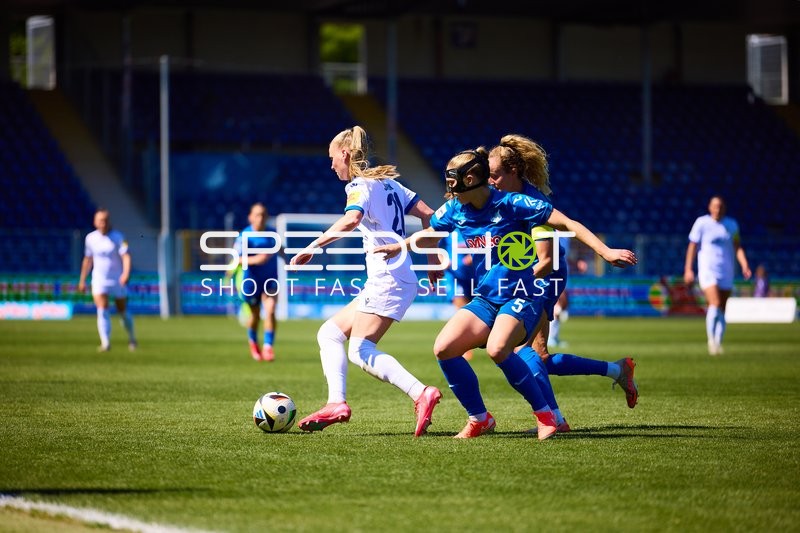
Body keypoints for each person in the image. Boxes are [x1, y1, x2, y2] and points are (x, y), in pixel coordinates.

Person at [375, 147, 636, 441]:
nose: (448, 189)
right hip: (487, 298)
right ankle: (479, 419)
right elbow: (431, 233)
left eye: (452, 182)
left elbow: (568, 225)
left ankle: (547, 417)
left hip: (523, 294)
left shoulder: (516, 204)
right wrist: (402, 247)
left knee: (502, 349)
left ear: (471, 179)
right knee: (444, 348)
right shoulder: (454, 210)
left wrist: (606, 251)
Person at [289, 125, 442, 437]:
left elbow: (352, 218)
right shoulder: (388, 183)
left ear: (345, 154)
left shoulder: (359, 185)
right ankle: (336, 403)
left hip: (388, 277)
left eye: (332, 157)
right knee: (330, 333)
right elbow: (430, 214)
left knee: (359, 350)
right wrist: (432, 258)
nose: (331, 164)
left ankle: (420, 392)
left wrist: (313, 247)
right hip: (393, 277)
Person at [487, 135, 638, 431]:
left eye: (495, 175)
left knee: (521, 350)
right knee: (539, 356)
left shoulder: (532, 206)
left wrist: (605, 252)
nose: (490, 182)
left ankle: (554, 418)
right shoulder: (506, 198)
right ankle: (617, 370)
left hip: (543, 275)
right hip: (535, 274)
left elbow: (545, 259)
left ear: (513, 172)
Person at [684, 195, 752, 355]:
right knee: (714, 302)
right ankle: (711, 341)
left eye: (720, 206)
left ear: (724, 208)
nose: (718, 208)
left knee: (722, 307)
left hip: (726, 271)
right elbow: (692, 247)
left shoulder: (731, 225)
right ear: (709, 207)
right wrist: (688, 269)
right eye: (715, 205)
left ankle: (719, 342)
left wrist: (744, 264)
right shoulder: (702, 223)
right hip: (708, 269)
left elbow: (737, 247)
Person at [78, 208, 137, 352]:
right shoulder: (90, 238)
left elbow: (126, 256)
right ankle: (105, 343)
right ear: (95, 222)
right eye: (100, 220)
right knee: (102, 309)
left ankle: (132, 338)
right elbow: (88, 259)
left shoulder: (119, 237)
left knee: (122, 310)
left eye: (105, 220)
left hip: (117, 279)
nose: (103, 223)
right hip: (99, 279)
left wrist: (126, 273)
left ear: (109, 221)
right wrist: (82, 279)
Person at [234, 202, 279, 362]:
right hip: (251, 281)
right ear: (250, 217)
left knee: (271, 309)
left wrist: (291, 261)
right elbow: (236, 259)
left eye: (263, 214)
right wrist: (256, 259)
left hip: (271, 279)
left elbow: (280, 249)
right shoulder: (244, 236)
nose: (260, 218)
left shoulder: (273, 234)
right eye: (257, 214)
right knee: (255, 315)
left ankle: (268, 347)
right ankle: (253, 342)